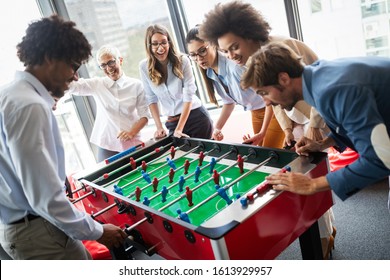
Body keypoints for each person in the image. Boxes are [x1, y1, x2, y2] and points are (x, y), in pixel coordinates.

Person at [199, 1, 338, 258]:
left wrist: (313, 130)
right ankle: (318, 233)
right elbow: (270, 101)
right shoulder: (250, 61)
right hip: (299, 117)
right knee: (305, 173)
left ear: (250, 33)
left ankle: (324, 238)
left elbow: (322, 89)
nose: (231, 55)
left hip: (325, 112)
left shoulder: (283, 47)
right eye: (225, 51)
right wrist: (287, 129)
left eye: (234, 46)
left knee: (324, 167)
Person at [0, 15, 127, 260]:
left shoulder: (8, 94)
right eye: (74, 65)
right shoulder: (30, 106)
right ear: (50, 59)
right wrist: (98, 231)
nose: (76, 76)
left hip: (19, 229)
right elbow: (45, 198)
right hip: (40, 233)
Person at [241, 41, 390, 211]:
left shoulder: (332, 90)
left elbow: (381, 157)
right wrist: (323, 143)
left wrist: (312, 184)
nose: (266, 102)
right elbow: (354, 121)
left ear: (284, 79)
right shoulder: (317, 78)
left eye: (264, 93)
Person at [186, 25, 276, 144]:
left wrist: (263, 132)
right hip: (256, 112)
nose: (199, 58)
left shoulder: (235, 67)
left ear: (214, 44)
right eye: (193, 55)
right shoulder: (211, 72)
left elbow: (271, 96)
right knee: (260, 156)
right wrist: (217, 128)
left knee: (269, 157)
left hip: (273, 110)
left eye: (202, 51)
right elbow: (229, 103)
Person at [67, 45, 149, 162]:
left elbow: (145, 115)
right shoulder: (97, 84)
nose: (109, 68)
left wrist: (131, 133)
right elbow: (73, 87)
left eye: (111, 62)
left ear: (120, 60)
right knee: (106, 179)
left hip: (132, 141)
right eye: (103, 65)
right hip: (107, 145)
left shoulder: (136, 85)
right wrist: (71, 66)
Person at [139, 24, 213, 139]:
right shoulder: (144, 67)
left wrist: (179, 129)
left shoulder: (183, 61)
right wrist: (159, 127)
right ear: (149, 45)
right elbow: (151, 98)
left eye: (164, 42)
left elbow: (188, 95)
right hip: (172, 122)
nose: (160, 48)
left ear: (169, 42)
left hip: (196, 118)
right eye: (155, 44)